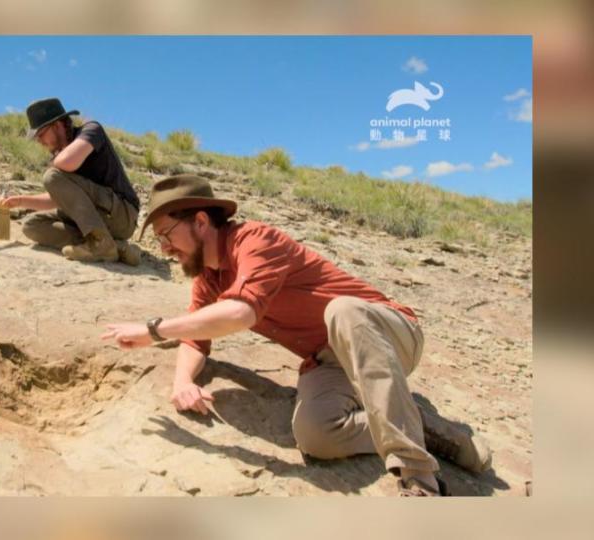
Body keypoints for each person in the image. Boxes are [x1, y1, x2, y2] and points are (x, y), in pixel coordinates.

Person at [101, 175, 493, 497]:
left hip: (387, 332)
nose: (164, 247)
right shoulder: (208, 279)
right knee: (316, 436)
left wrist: (153, 330)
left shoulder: (256, 240)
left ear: (201, 222)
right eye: (158, 241)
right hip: (328, 358)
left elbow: (240, 313)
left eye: (167, 234)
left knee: (342, 309)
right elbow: (196, 337)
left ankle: (419, 477)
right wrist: (183, 381)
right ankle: (418, 425)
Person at [0, 97, 141, 265]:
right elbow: (62, 197)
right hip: (96, 218)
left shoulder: (91, 130)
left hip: (122, 215)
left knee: (51, 176)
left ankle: (101, 244)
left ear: (57, 125)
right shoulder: (62, 156)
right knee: (32, 226)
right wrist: (19, 201)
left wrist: (55, 164)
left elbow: (64, 165)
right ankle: (114, 246)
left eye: (41, 134)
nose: (40, 142)